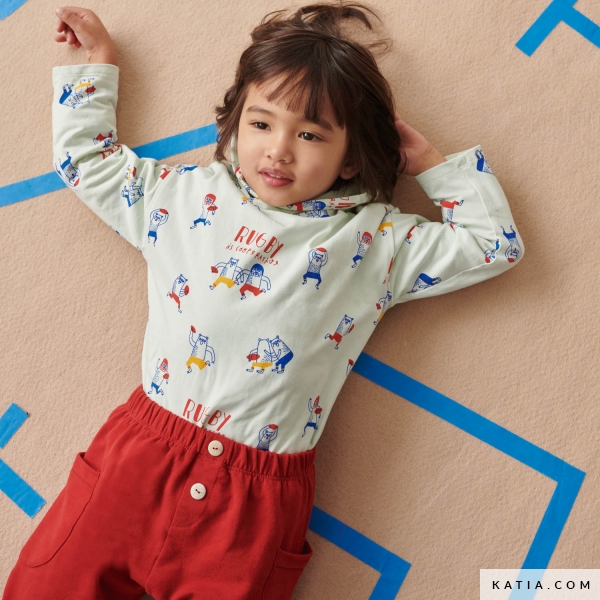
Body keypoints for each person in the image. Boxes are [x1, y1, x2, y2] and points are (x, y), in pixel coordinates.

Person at [4, 2, 524, 598]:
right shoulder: (181, 198)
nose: (279, 150)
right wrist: (99, 62)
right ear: (233, 125)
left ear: (352, 157)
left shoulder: (378, 241)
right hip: (141, 457)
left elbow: (493, 244)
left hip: (255, 499)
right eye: (261, 124)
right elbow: (87, 161)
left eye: (310, 135)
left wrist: (430, 164)